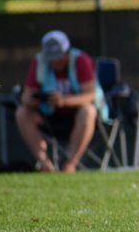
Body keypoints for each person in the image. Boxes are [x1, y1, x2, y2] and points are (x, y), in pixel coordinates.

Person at [15, 30, 104, 173]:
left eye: (59, 57)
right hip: (49, 116)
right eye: (52, 57)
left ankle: (70, 165)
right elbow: (26, 97)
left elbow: (91, 95)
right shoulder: (40, 62)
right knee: (22, 112)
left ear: (68, 51)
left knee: (88, 110)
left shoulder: (81, 60)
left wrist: (64, 101)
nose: (56, 61)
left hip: (75, 118)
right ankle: (44, 163)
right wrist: (41, 99)